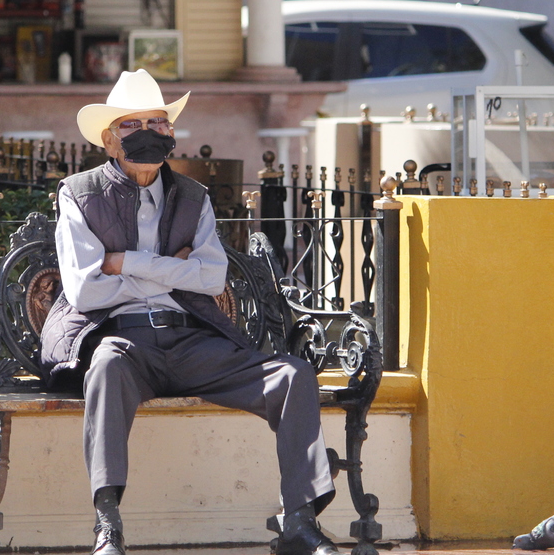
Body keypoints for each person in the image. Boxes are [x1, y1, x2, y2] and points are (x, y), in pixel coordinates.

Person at [39, 69, 337, 555]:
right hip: (125, 342)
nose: (150, 134)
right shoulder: (79, 193)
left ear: (171, 134)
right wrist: (166, 268)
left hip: (192, 341)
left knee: (293, 374)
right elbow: (87, 291)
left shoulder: (194, 198)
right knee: (107, 367)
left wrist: (125, 264)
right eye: (134, 125)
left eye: (158, 122)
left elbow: (211, 278)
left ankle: (299, 523)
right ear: (111, 139)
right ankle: (108, 525)